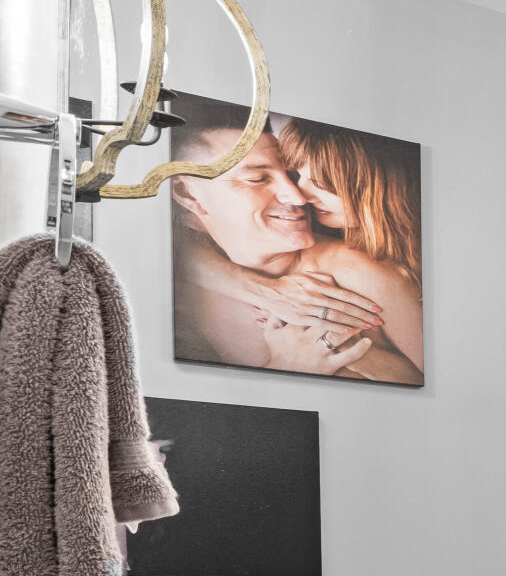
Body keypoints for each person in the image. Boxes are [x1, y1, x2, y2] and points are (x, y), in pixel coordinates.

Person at [167, 118, 422, 383]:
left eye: (292, 176)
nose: (298, 196)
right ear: (188, 195)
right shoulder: (180, 275)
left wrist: (349, 353)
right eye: (257, 179)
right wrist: (283, 359)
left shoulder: (359, 271)